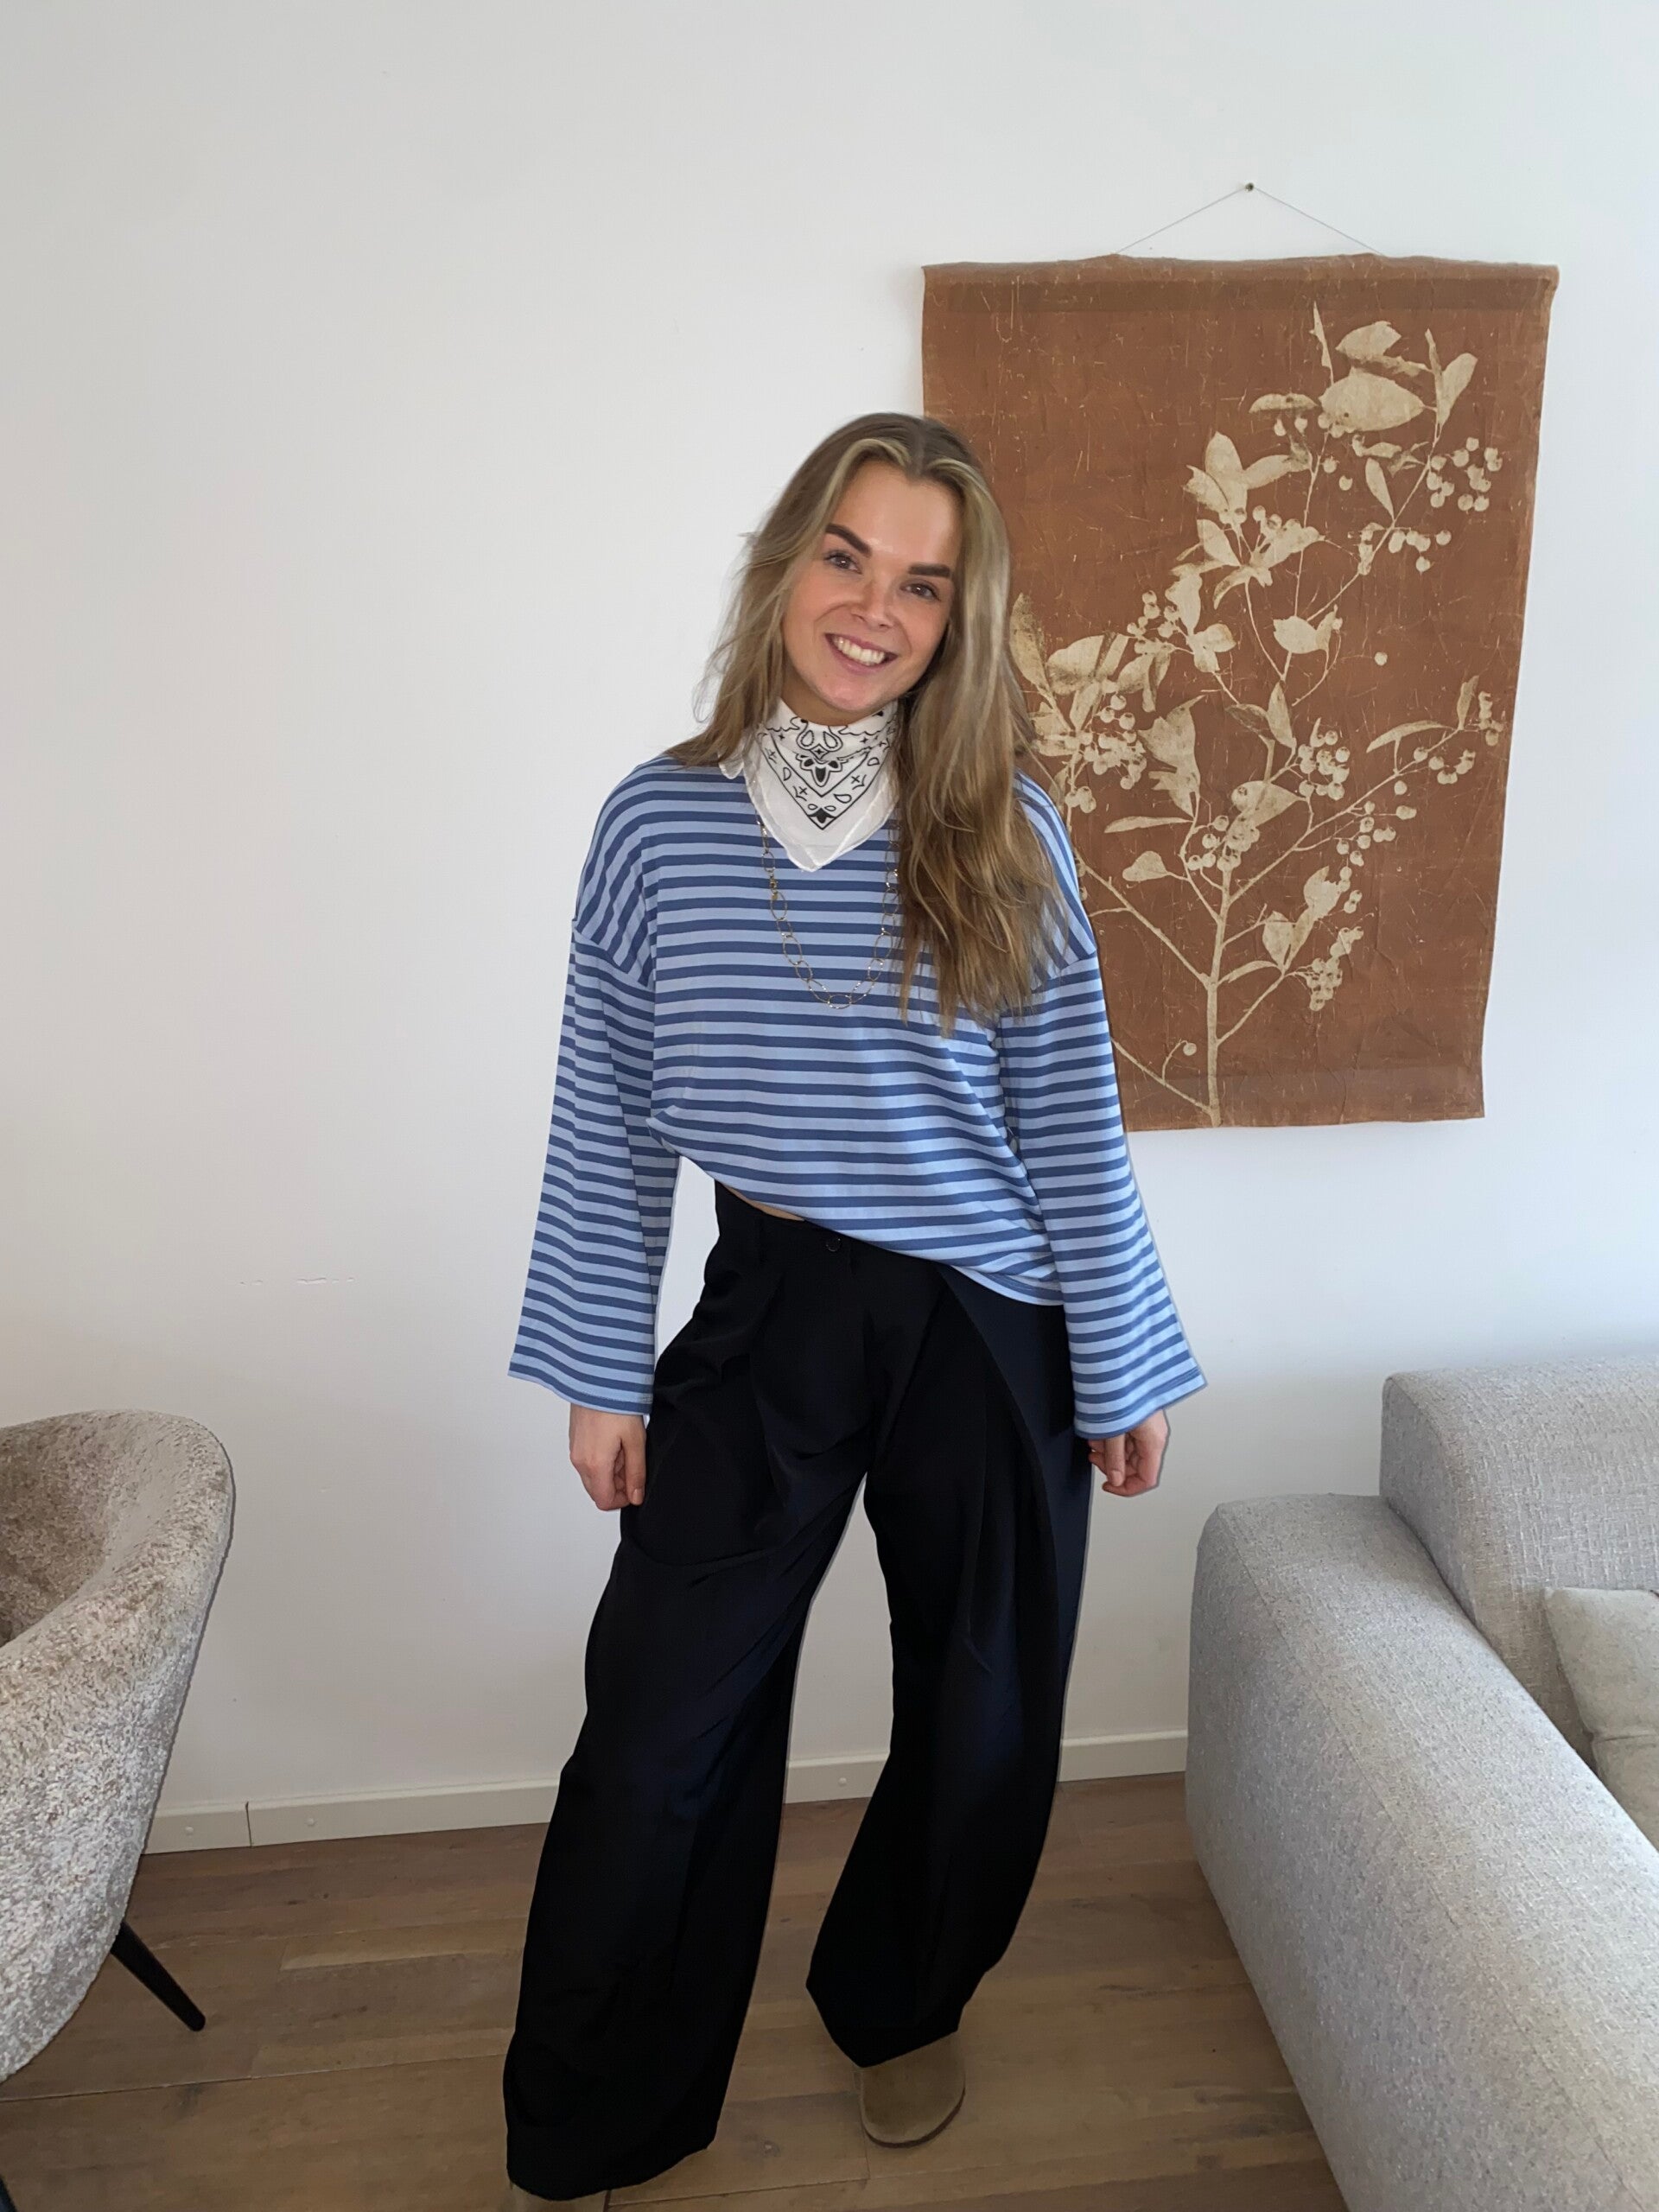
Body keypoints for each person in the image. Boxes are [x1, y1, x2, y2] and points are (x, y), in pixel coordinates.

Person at [499, 411, 1206, 2209]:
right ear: (782, 564)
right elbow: (608, 1111)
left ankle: (901, 2000)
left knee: (982, 1708)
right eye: (845, 555)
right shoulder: (656, 823)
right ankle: (604, 2102)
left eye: (923, 582)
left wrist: (1120, 1359)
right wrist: (599, 1365)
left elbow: (1073, 1123)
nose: (874, 607)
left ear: (961, 620)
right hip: (772, 1303)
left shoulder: (1005, 828)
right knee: (657, 1723)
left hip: (990, 1320)